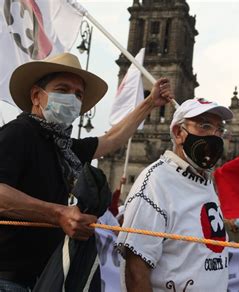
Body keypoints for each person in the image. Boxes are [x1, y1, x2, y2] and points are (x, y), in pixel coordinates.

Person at [0, 52, 173, 291]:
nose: (72, 98)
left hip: (43, 278)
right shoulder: (19, 133)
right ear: (37, 96)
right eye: (62, 89)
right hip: (8, 278)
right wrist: (59, 213)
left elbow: (113, 138)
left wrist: (149, 103)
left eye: (78, 94)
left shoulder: (64, 146)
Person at [116, 98, 233, 291]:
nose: (214, 136)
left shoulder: (205, 181)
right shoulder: (155, 182)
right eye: (204, 126)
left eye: (219, 130)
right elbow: (136, 270)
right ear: (179, 133)